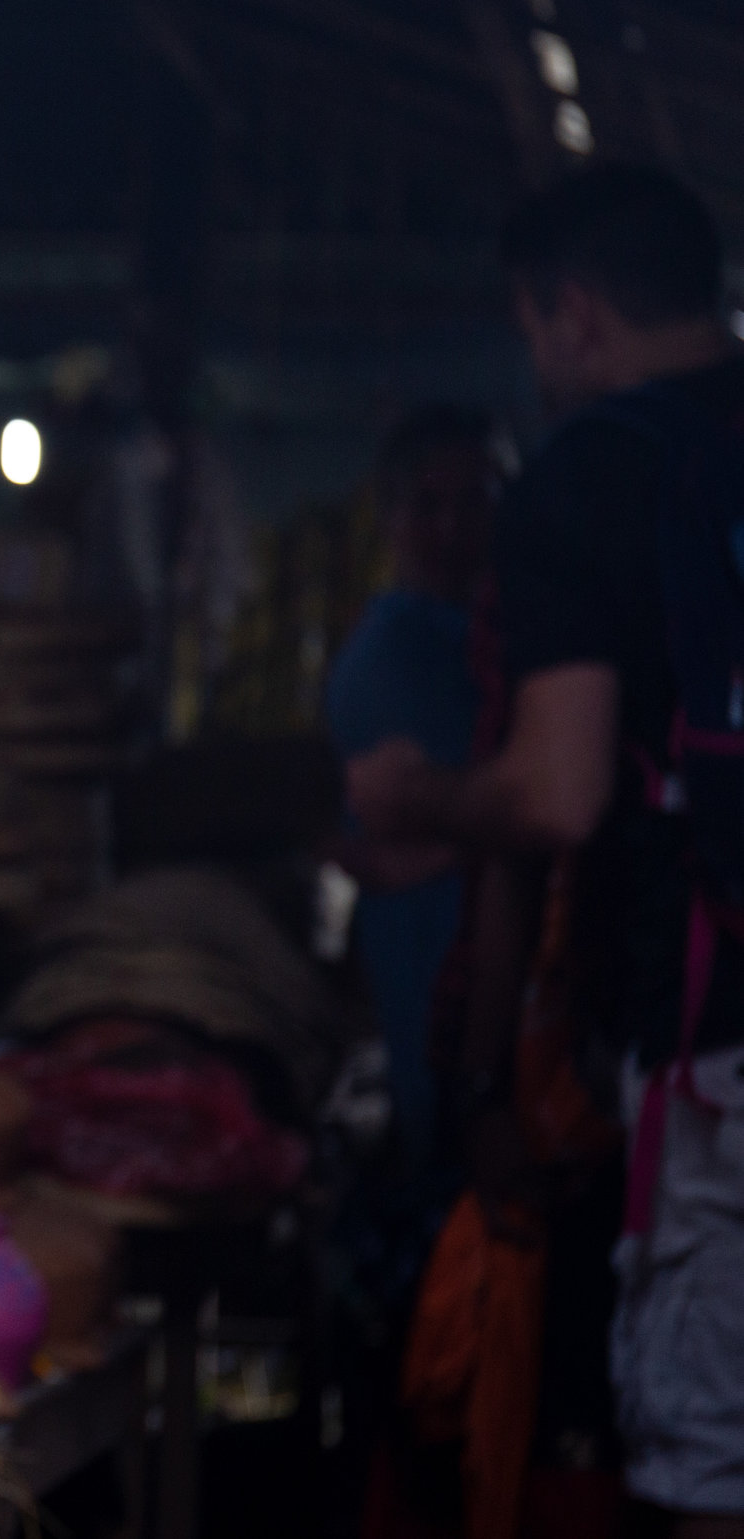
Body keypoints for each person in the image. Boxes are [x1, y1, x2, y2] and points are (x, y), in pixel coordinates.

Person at [350, 163, 744, 1534]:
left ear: (571, 313)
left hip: (719, 1048)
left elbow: (557, 795)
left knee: (713, 1465)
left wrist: (417, 799)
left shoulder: (592, 471)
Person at [327, 405, 511, 1181]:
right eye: (429, 506)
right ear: (391, 516)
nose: (452, 529)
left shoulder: (486, 636)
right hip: (438, 972)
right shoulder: (394, 653)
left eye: (473, 503)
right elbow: (370, 849)